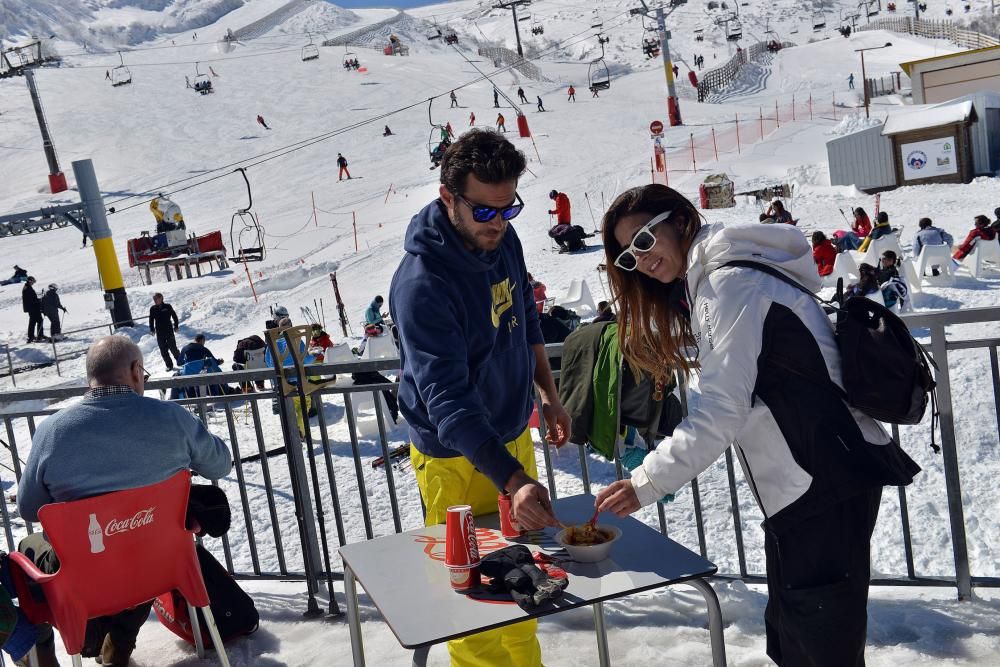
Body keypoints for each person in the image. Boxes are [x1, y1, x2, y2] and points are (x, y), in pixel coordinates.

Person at [595, 184, 918, 667]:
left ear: (681, 221)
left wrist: (647, 481)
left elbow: (723, 410)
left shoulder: (729, 285)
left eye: (643, 241)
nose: (639, 260)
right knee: (800, 633)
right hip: (810, 480)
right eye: (627, 255)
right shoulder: (723, 277)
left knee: (819, 640)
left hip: (820, 477)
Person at [389, 128, 570, 667]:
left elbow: (525, 319)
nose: (498, 224)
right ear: (448, 198)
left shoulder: (503, 240)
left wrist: (549, 395)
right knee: (472, 594)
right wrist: (511, 481)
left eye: (507, 209)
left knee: (527, 574)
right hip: (453, 457)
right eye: (485, 213)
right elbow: (445, 400)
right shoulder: (422, 285)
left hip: (512, 436)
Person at [16, 336, 232, 667]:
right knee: (140, 538)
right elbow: (221, 464)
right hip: (161, 566)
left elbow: (29, 508)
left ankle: (44, 649)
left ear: (91, 377)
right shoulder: (172, 418)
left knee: (29, 547)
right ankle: (119, 642)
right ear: (134, 370)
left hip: (87, 579)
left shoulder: (52, 431)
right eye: (142, 373)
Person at [149, 292, 182, 370]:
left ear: (161, 298)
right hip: (159, 333)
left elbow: (174, 316)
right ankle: (169, 365)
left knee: (173, 348)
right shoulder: (153, 308)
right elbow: (151, 320)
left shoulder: (167, 306)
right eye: (154, 299)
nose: (155, 300)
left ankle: (180, 361)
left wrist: (176, 326)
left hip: (169, 331)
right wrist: (152, 329)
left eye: (156, 298)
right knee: (163, 350)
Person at [22, 277, 44, 343]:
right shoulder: (28, 288)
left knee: (32, 322)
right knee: (40, 321)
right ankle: (39, 336)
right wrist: (39, 300)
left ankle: (31, 336)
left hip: (31, 308)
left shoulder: (27, 287)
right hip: (33, 308)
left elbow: (32, 297)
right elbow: (31, 299)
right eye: (33, 281)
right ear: (30, 281)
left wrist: (38, 297)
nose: (34, 283)